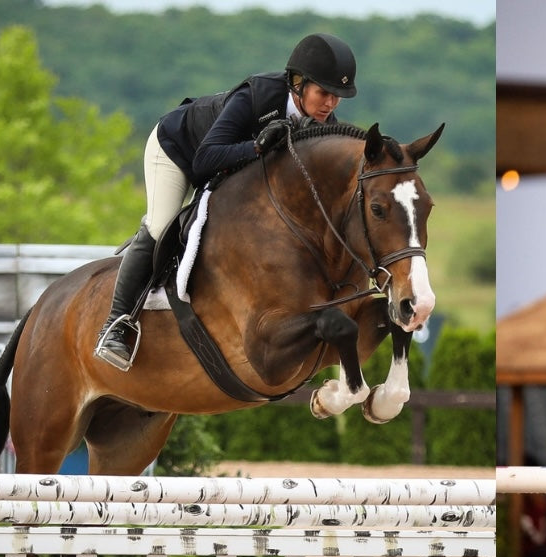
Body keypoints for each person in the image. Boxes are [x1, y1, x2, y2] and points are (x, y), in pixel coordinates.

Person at [94, 33, 358, 369]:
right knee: (161, 225)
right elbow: (204, 161)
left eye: (338, 97)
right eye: (324, 93)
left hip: (226, 174)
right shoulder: (257, 95)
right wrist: (258, 147)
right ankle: (116, 325)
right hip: (177, 149)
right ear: (297, 83)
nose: (330, 105)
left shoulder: (322, 126)